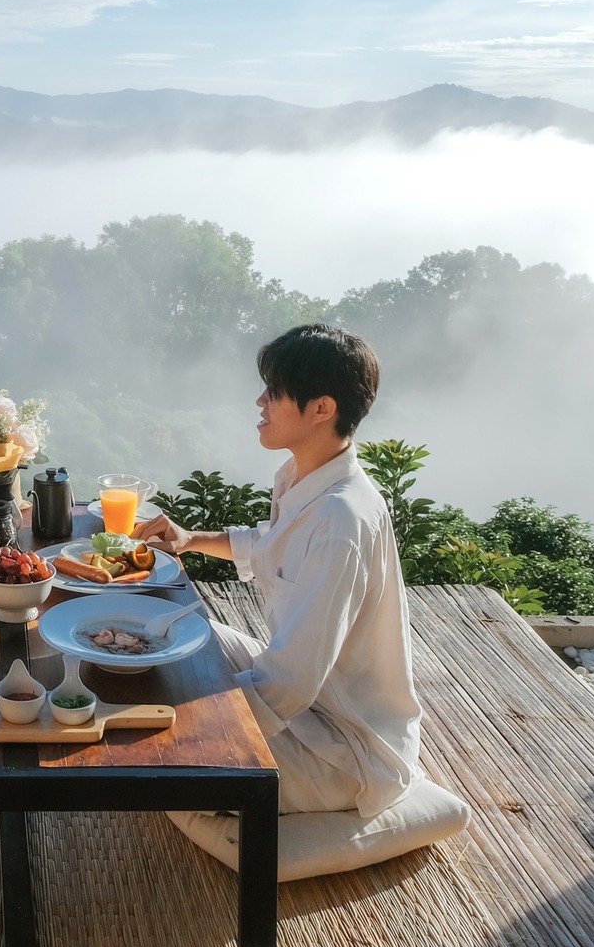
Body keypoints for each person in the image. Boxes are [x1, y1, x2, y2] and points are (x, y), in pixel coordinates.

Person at [141, 323, 421, 823]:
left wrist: (189, 719)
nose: (259, 402)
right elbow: (270, 545)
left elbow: (290, 681)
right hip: (308, 708)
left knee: (157, 757)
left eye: (274, 392)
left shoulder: (342, 521)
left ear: (321, 408)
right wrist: (189, 540)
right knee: (174, 635)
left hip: (342, 748)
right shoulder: (305, 479)